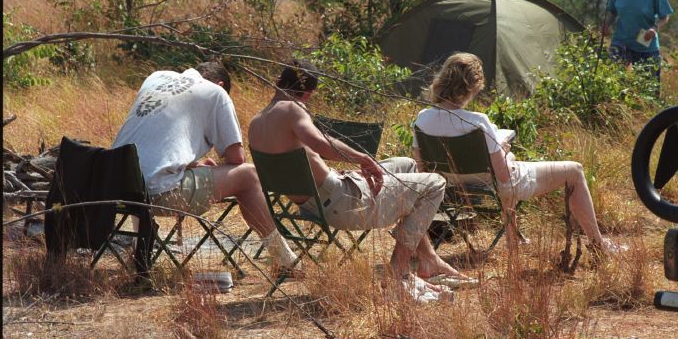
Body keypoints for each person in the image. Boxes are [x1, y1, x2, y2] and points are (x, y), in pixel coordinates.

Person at [248, 59, 469, 302]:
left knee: (406, 164)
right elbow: (320, 143)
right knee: (435, 183)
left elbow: (308, 156)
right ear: (309, 94)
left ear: (277, 81)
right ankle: (398, 273)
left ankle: (428, 260)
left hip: (313, 204)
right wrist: (362, 159)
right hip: (343, 204)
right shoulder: (292, 109)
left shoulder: (256, 123)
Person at [412, 52, 625, 255]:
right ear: (472, 87)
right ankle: (598, 244)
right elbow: (504, 177)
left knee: (507, 172)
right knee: (575, 171)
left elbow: (423, 171)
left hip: (452, 187)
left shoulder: (422, 119)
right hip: (494, 185)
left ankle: (514, 240)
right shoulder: (478, 122)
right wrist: (503, 150)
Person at [112, 60, 298, 273]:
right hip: (157, 194)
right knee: (248, 175)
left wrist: (193, 164)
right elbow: (237, 159)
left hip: (114, 188)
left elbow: (154, 146)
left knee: (143, 172)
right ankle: (286, 261)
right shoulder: (216, 93)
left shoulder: (156, 77)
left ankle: (138, 251)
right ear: (221, 85)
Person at [602, 0, 674, 93]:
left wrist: (654, 28)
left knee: (649, 90)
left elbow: (664, 16)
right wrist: (607, 24)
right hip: (621, 42)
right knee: (613, 84)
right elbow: (612, 12)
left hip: (645, 45)